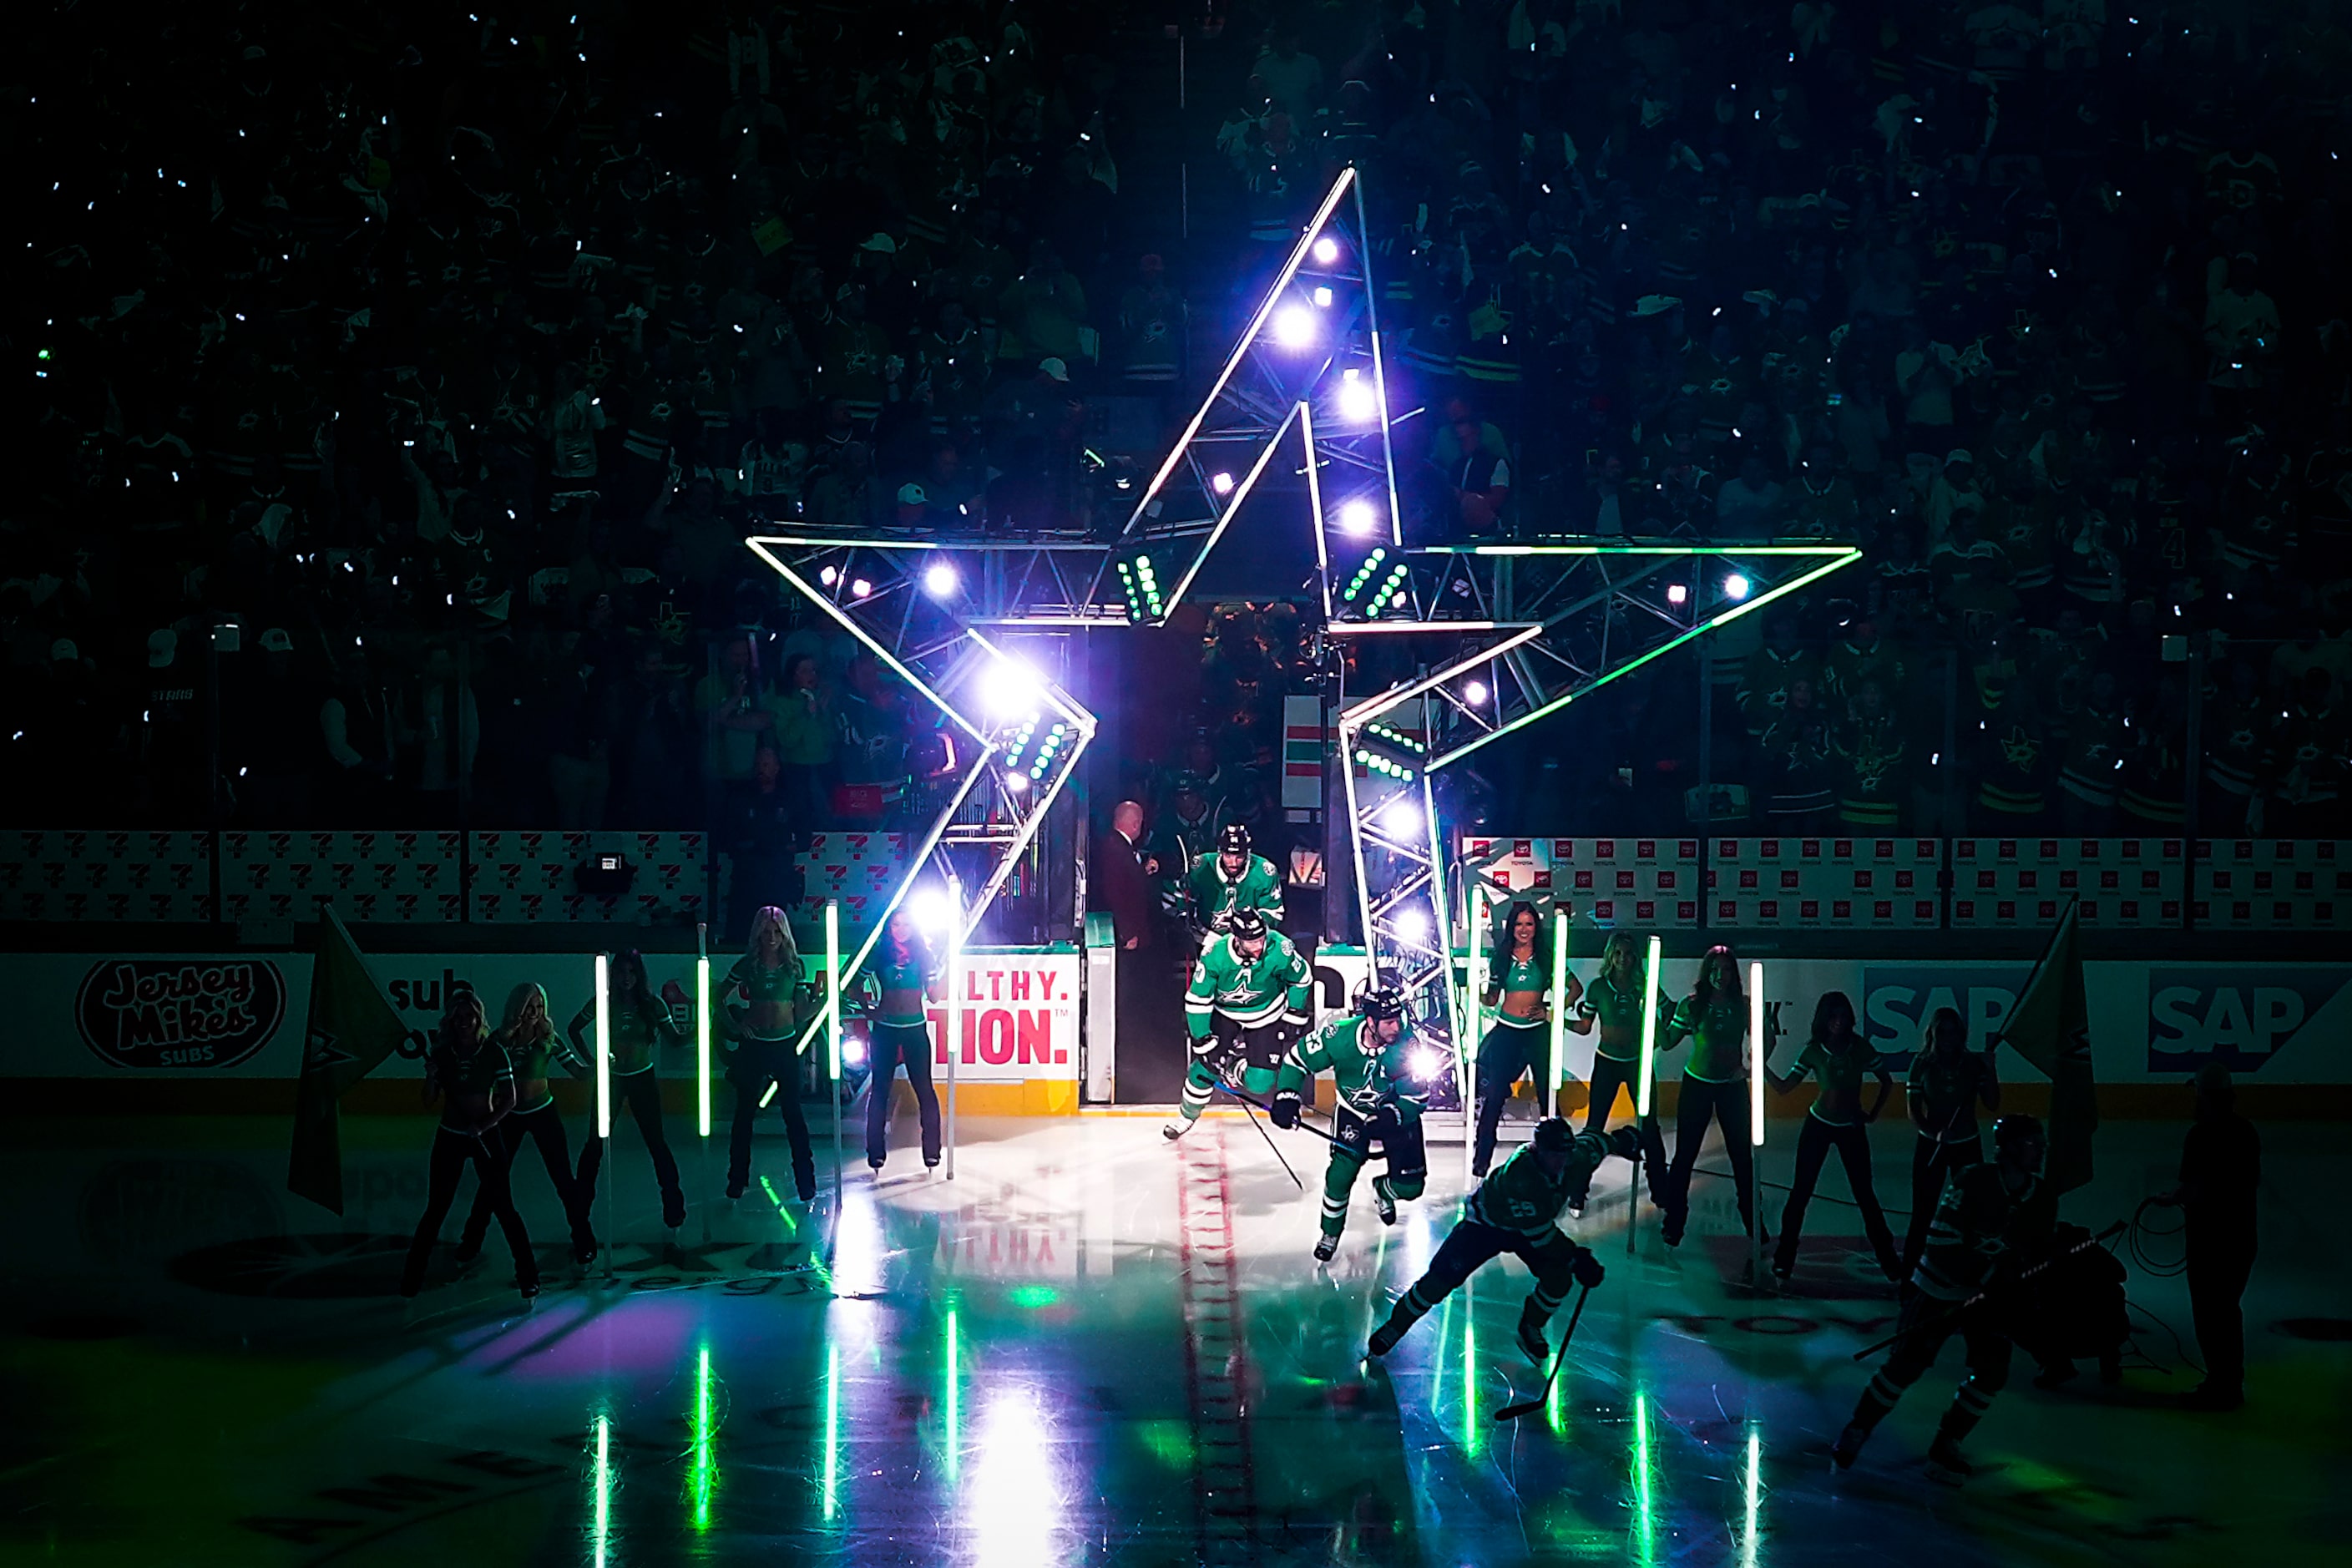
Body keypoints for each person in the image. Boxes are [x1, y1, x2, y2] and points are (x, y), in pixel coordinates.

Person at [1834, 1115, 2058, 1482]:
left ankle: (1947, 1443)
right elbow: (1940, 1242)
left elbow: (2036, 1251)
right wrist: (1987, 1275)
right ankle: (1859, 1427)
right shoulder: (1973, 1180)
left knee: (1991, 1373)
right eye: (2033, 1143)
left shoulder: (2043, 1197)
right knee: (1905, 1365)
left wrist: (2027, 1280)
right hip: (1940, 1288)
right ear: (2008, 1148)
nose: (2041, 1150)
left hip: (1990, 1301)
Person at [1368, 1117, 1624, 1365]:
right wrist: (1575, 1257)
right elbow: (1540, 1235)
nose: (1561, 1160)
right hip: (1486, 1226)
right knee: (1439, 1280)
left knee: (1558, 1279)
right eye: (1554, 1154)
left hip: (1530, 1228)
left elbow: (1595, 1143)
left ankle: (1530, 1326)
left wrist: (1622, 1141)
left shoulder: (1576, 1158)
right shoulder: (1520, 1176)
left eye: (1565, 1153)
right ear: (1537, 1149)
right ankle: (1396, 1325)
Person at [1271, 984, 1429, 1262]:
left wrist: (1392, 1115)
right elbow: (1296, 1060)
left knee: (1411, 1187)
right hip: (1352, 1112)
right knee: (1340, 1175)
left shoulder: (1407, 1044)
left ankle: (1383, 1189)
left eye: (1399, 1018)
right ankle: (1330, 1233)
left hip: (1392, 1113)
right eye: (1389, 1022)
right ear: (1370, 1022)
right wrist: (1287, 1096)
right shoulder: (1338, 1036)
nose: (1397, 1027)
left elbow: (1417, 1096)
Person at [399, 989, 538, 1303]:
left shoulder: (493, 1052)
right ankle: (411, 1280)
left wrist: (484, 1125)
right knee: (436, 1208)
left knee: (504, 1207)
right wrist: (431, 1077)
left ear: (479, 1018)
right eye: (458, 1017)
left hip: (485, 1136)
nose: (464, 1022)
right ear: (450, 1020)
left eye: (469, 1016)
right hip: (450, 1136)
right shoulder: (442, 1054)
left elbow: (510, 1099)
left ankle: (529, 1278)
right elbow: (428, 1101)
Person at [458, 983, 597, 1267]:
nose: (534, 1013)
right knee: (492, 1182)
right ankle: (469, 1244)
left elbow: (579, 1074)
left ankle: (584, 1243)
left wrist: (601, 1066)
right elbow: (480, 1076)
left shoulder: (548, 1038)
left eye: (539, 1008)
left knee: (563, 1180)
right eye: (528, 1008)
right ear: (516, 1009)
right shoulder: (498, 1041)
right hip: (507, 1114)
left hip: (543, 1111)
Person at [1765, 991, 1900, 1283]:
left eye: (1843, 1016)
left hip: (1851, 1126)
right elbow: (1786, 1087)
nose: (1838, 1022)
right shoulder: (1814, 1051)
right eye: (1833, 1016)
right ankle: (1784, 1258)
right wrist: (1761, 1067)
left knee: (1865, 1194)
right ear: (1824, 1020)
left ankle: (1889, 1260)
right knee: (1801, 1191)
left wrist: (1872, 1113)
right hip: (1819, 1124)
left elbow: (1886, 1080)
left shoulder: (1859, 1047)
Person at [2156, 1063, 2261, 1409]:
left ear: (2203, 1095)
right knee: (2228, 1310)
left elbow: (2193, 1189)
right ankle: (2229, 1381)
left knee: (2209, 1313)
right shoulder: (2246, 1132)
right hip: (2242, 1237)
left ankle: (2222, 1384)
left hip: (2209, 1241)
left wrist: (2172, 1199)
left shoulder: (2200, 1135)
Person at [569, 951, 691, 1232]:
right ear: (613, 975)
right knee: (594, 1147)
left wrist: (704, 1030)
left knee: (657, 1145)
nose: (626, 978)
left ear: (640, 975)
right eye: (621, 972)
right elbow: (574, 1028)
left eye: (632, 972)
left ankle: (675, 1211)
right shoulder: (603, 1002)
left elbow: (674, 1040)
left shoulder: (653, 1004)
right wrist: (592, 1061)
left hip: (642, 1079)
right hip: (611, 1079)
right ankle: (579, 1215)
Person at [1166, 909, 1311, 1141]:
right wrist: (1203, 1040)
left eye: (1261, 938)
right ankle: (1186, 1116)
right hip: (1226, 1014)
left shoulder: (1281, 948)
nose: (1258, 946)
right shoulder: (1215, 955)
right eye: (1251, 941)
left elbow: (1301, 979)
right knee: (1204, 1068)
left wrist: (1294, 1013)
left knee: (1260, 1083)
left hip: (1268, 1014)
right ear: (1236, 938)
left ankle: (1233, 1067)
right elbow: (1197, 1000)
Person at [1660, 946, 1763, 1246]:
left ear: (1734, 973)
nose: (1721, 976)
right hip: (1697, 1086)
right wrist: (1651, 1018)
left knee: (1742, 1157)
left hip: (1732, 1088)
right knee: (1684, 1157)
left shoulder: (1744, 1005)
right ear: (1706, 973)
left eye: (1726, 969)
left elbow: (1764, 1038)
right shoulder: (1692, 1005)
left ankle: (1752, 1222)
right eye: (1715, 970)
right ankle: (1674, 1222)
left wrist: (1750, 1066)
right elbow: (1667, 1042)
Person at [1472, 903, 1581, 1176]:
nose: (1524, 929)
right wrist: (1476, 991)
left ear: (1536, 928)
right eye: (1519, 924)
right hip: (1507, 1033)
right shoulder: (1501, 957)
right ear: (1512, 927)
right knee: (1495, 1096)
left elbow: (1574, 988)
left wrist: (1551, 1013)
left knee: (1547, 1097)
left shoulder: (1546, 957)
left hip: (1537, 1034)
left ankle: (1554, 1158)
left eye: (1529, 924)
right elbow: (1492, 998)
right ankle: (1481, 1160)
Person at [1567, 931, 1671, 1210]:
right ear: (1610, 956)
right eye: (1618, 953)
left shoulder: (1645, 986)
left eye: (1628, 953)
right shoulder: (1598, 987)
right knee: (1594, 1128)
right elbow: (1584, 1026)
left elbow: (1670, 1012)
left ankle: (1661, 1190)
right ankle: (1578, 1192)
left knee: (1649, 1127)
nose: (1623, 959)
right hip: (1607, 1063)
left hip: (1637, 1062)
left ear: (1635, 957)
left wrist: (1660, 1035)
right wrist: (1555, 1021)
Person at [723, 905, 818, 1201]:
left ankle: (806, 1182)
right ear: (758, 934)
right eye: (766, 932)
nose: (772, 937)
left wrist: (826, 1001)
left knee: (794, 1115)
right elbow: (717, 997)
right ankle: (737, 1179)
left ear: (784, 933)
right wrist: (737, 1025)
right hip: (754, 1047)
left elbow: (801, 1012)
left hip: (785, 1045)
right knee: (744, 1116)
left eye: (777, 932)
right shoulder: (747, 965)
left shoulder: (794, 965)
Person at [1902, 1006, 2002, 1274]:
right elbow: (1914, 1111)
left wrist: (1991, 1069)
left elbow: (1992, 1104)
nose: (1948, 1037)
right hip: (1932, 1145)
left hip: (1967, 1145)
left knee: (1973, 1213)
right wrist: (1934, 1132)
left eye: (1953, 1031)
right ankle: (1910, 1274)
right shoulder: (1921, 1064)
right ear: (1933, 1034)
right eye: (1942, 1031)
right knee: (1923, 1212)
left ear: (1961, 1034)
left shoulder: (1973, 1065)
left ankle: (1971, 1270)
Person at [852, 909, 943, 1172]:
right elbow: (853, 985)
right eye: (896, 925)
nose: (901, 929)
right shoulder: (879, 955)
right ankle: (876, 1153)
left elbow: (935, 996)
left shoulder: (924, 956)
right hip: (885, 1029)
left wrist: (948, 971)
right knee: (880, 1090)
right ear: (889, 927)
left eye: (906, 924)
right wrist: (868, 1010)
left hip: (915, 1028)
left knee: (924, 1089)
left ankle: (932, 1152)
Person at [1184, 822, 1284, 944]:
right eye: (1228, 855)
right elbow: (1184, 899)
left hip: (1250, 941)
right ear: (1220, 851)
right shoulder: (1201, 866)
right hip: (1204, 935)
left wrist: (1250, 932)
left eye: (1239, 856)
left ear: (1248, 852)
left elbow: (1273, 912)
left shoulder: (1264, 872)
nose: (1234, 862)